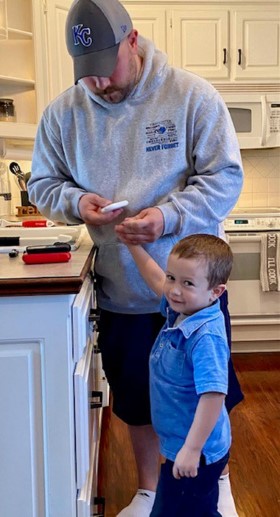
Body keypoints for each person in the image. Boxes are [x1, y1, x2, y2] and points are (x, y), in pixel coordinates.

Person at [28, 0, 244, 515]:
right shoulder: (63, 114)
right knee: (137, 400)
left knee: (205, 391)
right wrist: (76, 203)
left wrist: (166, 218)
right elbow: (42, 185)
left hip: (193, 297)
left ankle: (221, 484)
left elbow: (225, 179)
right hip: (123, 290)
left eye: (106, 70)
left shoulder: (192, 96)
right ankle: (149, 490)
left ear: (132, 40)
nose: (99, 85)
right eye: (88, 77)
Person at [115, 233, 234, 516]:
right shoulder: (185, 309)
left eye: (187, 283)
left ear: (216, 292)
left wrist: (192, 450)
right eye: (173, 278)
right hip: (180, 445)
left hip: (197, 452)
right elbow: (157, 280)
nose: (174, 290)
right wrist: (133, 246)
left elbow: (214, 395)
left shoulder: (205, 337)